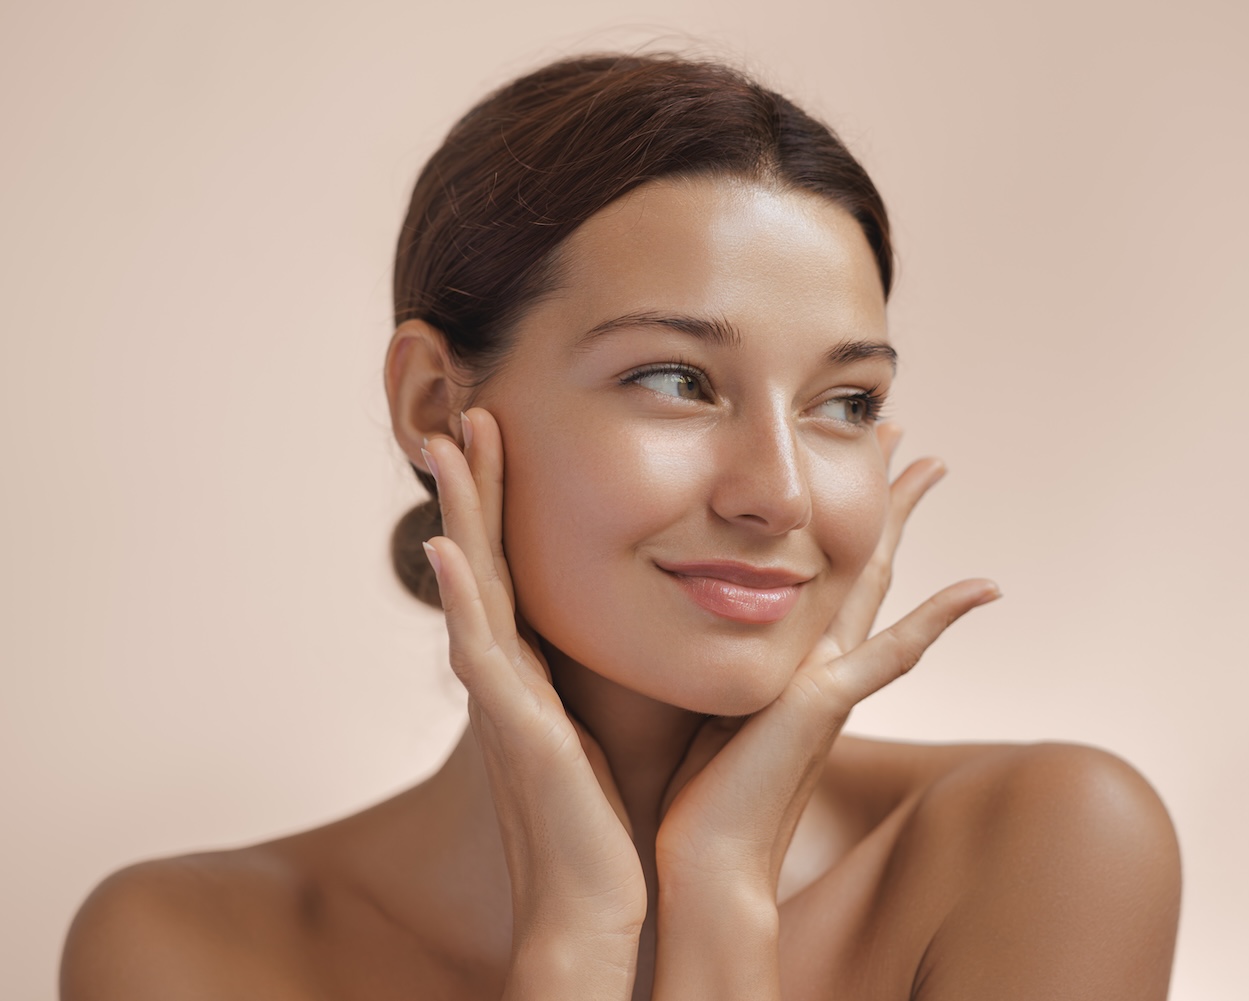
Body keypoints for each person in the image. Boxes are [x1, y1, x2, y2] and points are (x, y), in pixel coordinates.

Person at [60, 52, 1181, 1000]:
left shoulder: (1042, 847)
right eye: (676, 378)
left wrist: (725, 902)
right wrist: (579, 940)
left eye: (845, 403)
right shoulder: (191, 949)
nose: (780, 493)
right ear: (435, 404)